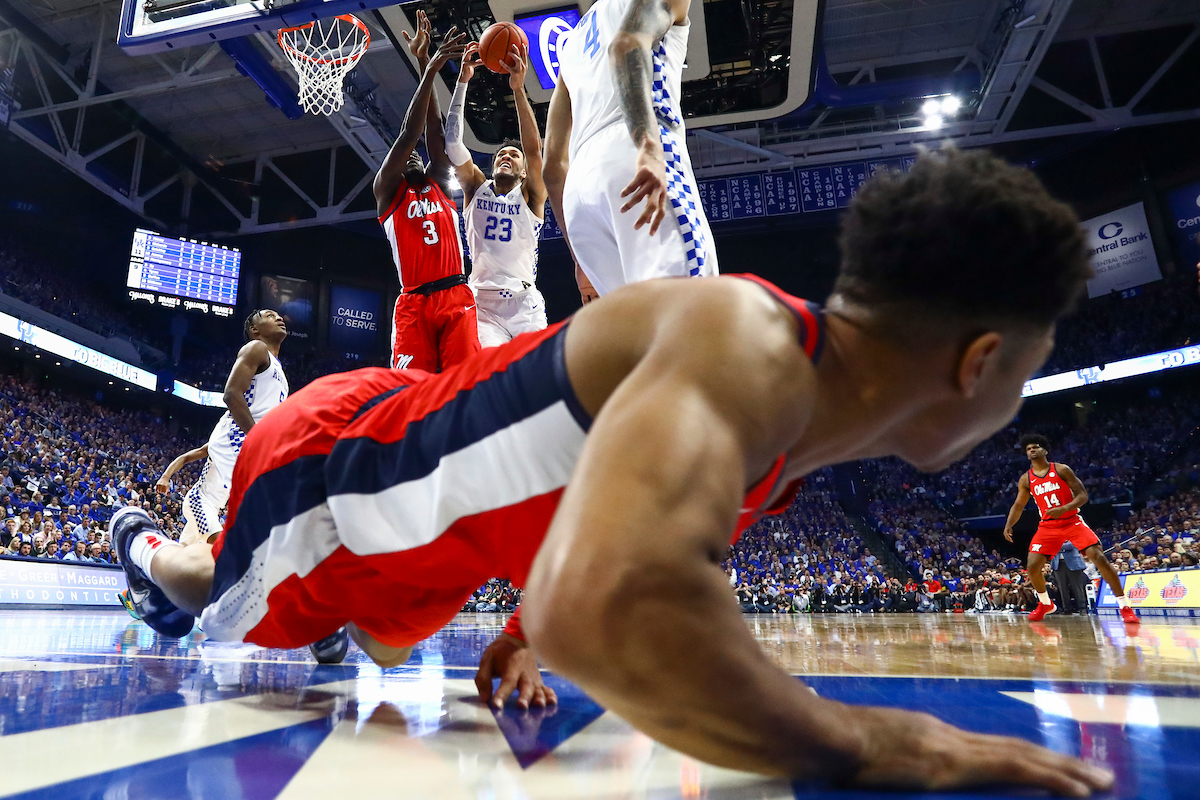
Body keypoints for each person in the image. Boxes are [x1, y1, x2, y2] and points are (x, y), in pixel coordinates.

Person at [110, 149, 1113, 795]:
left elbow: (592, 520)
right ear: (981, 361)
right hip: (335, 478)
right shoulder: (747, 343)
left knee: (371, 643)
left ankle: (195, 563)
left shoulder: (777, 418)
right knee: (216, 606)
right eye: (1028, 368)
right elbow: (605, 602)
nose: (1019, 402)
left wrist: (522, 631)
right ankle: (142, 541)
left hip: (435, 533)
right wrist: (882, 741)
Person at [544, 0, 718, 300]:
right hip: (630, 152)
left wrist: (579, 258)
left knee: (638, 333)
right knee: (692, 314)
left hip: (579, 193)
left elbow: (552, 166)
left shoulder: (571, 42)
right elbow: (625, 45)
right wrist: (649, 145)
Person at [375, 15, 479, 372]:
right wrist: (431, 68)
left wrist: (425, 63)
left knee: (464, 385)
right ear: (398, 164)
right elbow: (410, 133)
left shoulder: (437, 179)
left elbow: (434, 132)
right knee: (411, 392)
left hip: (455, 295)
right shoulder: (388, 191)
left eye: (419, 154)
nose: (415, 154)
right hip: (414, 304)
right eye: (408, 157)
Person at [445, 38, 549, 347]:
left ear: (523, 171)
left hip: (523, 303)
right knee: (489, 374)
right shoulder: (476, 187)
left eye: (512, 156)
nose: (506, 156)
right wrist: (462, 82)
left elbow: (533, 149)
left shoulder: (531, 195)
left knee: (534, 378)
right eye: (500, 155)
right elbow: (452, 142)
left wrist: (518, 89)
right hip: (483, 305)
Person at [169, 311, 289, 547]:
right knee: (259, 513)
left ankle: (158, 577)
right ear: (255, 329)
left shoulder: (279, 369)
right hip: (239, 438)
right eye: (269, 315)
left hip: (252, 443)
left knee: (188, 550)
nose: (278, 317)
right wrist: (258, 438)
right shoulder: (256, 348)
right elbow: (232, 394)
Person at [1003, 434, 1138, 624]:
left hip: (1071, 520)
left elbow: (1082, 495)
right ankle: (1045, 603)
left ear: (1045, 450)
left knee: (1098, 557)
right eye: (1028, 448)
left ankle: (1125, 606)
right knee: (1032, 566)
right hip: (1048, 526)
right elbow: (1018, 505)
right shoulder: (1026, 479)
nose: (1032, 450)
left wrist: (1065, 508)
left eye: (1036, 446)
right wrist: (1009, 524)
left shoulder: (1061, 469)